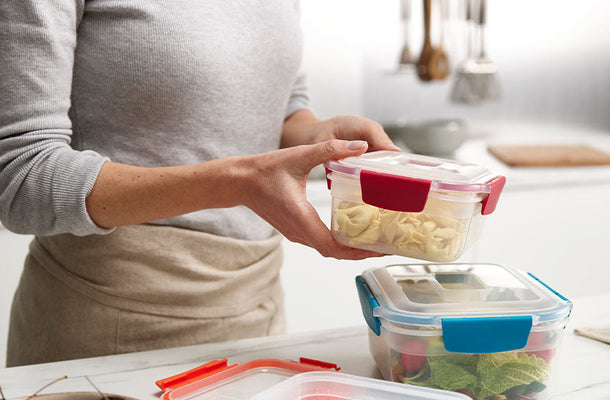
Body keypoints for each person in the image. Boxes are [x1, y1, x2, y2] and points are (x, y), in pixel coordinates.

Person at [0, 1, 397, 367]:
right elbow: (21, 176)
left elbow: (279, 104)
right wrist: (237, 183)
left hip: (256, 315)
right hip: (107, 327)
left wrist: (317, 135)